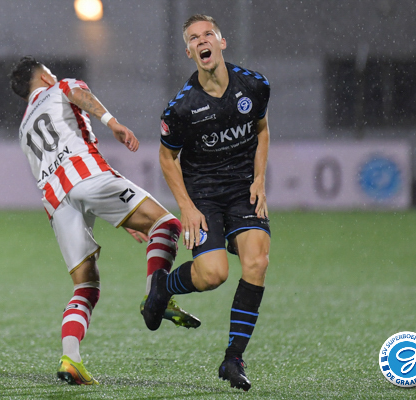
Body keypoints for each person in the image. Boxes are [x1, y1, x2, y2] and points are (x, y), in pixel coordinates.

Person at [9, 56, 200, 386]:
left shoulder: (24, 129)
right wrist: (112, 122)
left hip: (57, 203)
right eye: (49, 72)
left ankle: (70, 359)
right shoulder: (59, 87)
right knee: (166, 225)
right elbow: (79, 94)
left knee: (85, 287)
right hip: (87, 175)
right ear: (43, 77)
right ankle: (155, 296)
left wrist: (123, 218)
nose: (54, 75)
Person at [141, 15, 271, 392]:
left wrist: (259, 179)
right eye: (194, 38)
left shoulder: (255, 85)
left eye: (208, 34)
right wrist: (187, 206)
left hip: (242, 189)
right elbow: (167, 157)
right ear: (189, 52)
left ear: (221, 42)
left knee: (257, 262)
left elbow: (262, 130)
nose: (202, 41)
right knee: (214, 275)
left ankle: (233, 359)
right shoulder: (181, 108)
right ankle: (163, 286)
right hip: (203, 194)